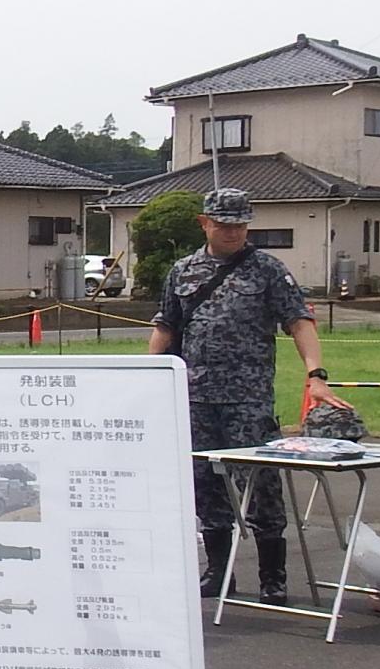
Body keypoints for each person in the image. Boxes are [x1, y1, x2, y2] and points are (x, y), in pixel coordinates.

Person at [148, 187, 351, 605]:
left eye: (240, 225)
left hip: (248, 398)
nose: (233, 232)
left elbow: (299, 322)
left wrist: (317, 375)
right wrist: (148, 376)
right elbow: (166, 328)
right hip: (195, 397)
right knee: (206, 486)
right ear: (205, 223)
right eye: (224, 224)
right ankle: (219, 572)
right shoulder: (183, 271)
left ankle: (273, 576)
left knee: (261, 486)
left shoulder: (267, 270)